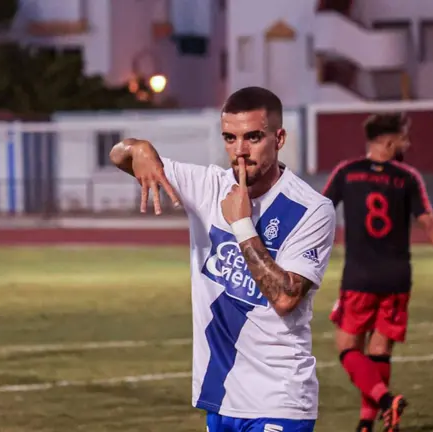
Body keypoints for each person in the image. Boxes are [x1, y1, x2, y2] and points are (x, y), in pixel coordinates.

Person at [110, 87, 336, 432]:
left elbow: (286, 297)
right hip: (220, 397)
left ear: (280, 138)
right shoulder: (207, 186)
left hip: (278, 399)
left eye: (253, 137)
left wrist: (242, 224)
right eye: (230, 138)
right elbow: (119, 155)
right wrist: (138, 147)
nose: (240, 151)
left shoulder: (311, 209)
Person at [322, 112, 433, 432]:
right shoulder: (407, 177)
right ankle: (366, 423)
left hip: (359, 276)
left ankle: (383, 398)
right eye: (404, 137)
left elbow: (319, 212)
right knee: (379, 353)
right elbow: (429, 223)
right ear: (389, 141)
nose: (408, 143)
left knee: (348, 349)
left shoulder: (347, 172)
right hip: (398, 279)